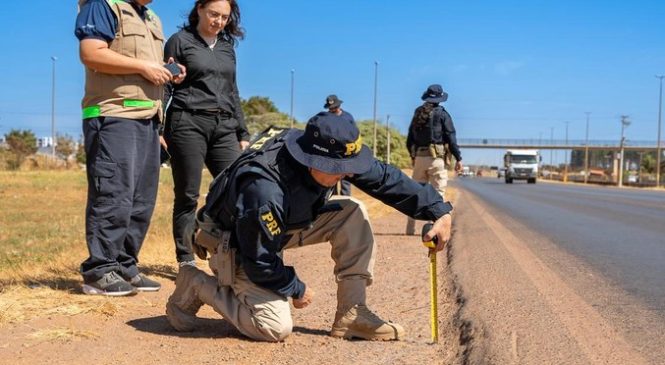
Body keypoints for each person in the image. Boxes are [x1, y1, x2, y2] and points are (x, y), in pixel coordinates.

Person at [165, 111, 454, 342]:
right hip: (235, 244)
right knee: (273, 327)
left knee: (352, 212)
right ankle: (197, 283)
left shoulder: (325, 153)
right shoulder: (264, 189)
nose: (350, 173)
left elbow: (384, 178)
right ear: (313, 161)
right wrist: (295, 287)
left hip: (280, 226)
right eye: (342, 169)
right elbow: (261, 262)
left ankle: (352, 314)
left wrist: (438, 210)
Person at [75, 0, 186, 296]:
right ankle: (99, 270)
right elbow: (91, 53)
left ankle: (124, 264)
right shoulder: (103, 5)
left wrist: (166, 71)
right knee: (113, 193)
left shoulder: (151, 17)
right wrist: (145, 67)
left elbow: (147, 70)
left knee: (141, 199)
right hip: (114, 115)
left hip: (148, 117)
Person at [163, 0, 250, 268]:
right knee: (188, 194)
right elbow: (165, 85)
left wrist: (242, 130)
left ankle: (227, 249)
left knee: (238, 188)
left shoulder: (227, 48)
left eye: (224, 17)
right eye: (214, 14)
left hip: (224, 127)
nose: (219, 21)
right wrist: (158, 127)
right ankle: (186, 258)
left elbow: (232, 91)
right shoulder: (179, 41)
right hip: (187, 122)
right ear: (199, 9)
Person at [405, 84, 463, 236]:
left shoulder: (418, 112)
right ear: (440, 98)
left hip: (419, 157)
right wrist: (458, 158)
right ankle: (433, 228)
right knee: (438, 193)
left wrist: (413, 157)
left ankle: (409, 229)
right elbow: (451, 138)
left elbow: (409, 139)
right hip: (436, 159)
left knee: (414, 192)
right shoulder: (442, 114)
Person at [324, 94, 352, 196]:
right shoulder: (325, 118)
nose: (332, 110)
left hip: (345, 153)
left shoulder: (347, 117)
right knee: (331, 181)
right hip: (331, 154)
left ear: (338, 106)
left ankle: (345, 203)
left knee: (345, 181)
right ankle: (332, 200)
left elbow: (353, 135)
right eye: (330, 108)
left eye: (334, 108)